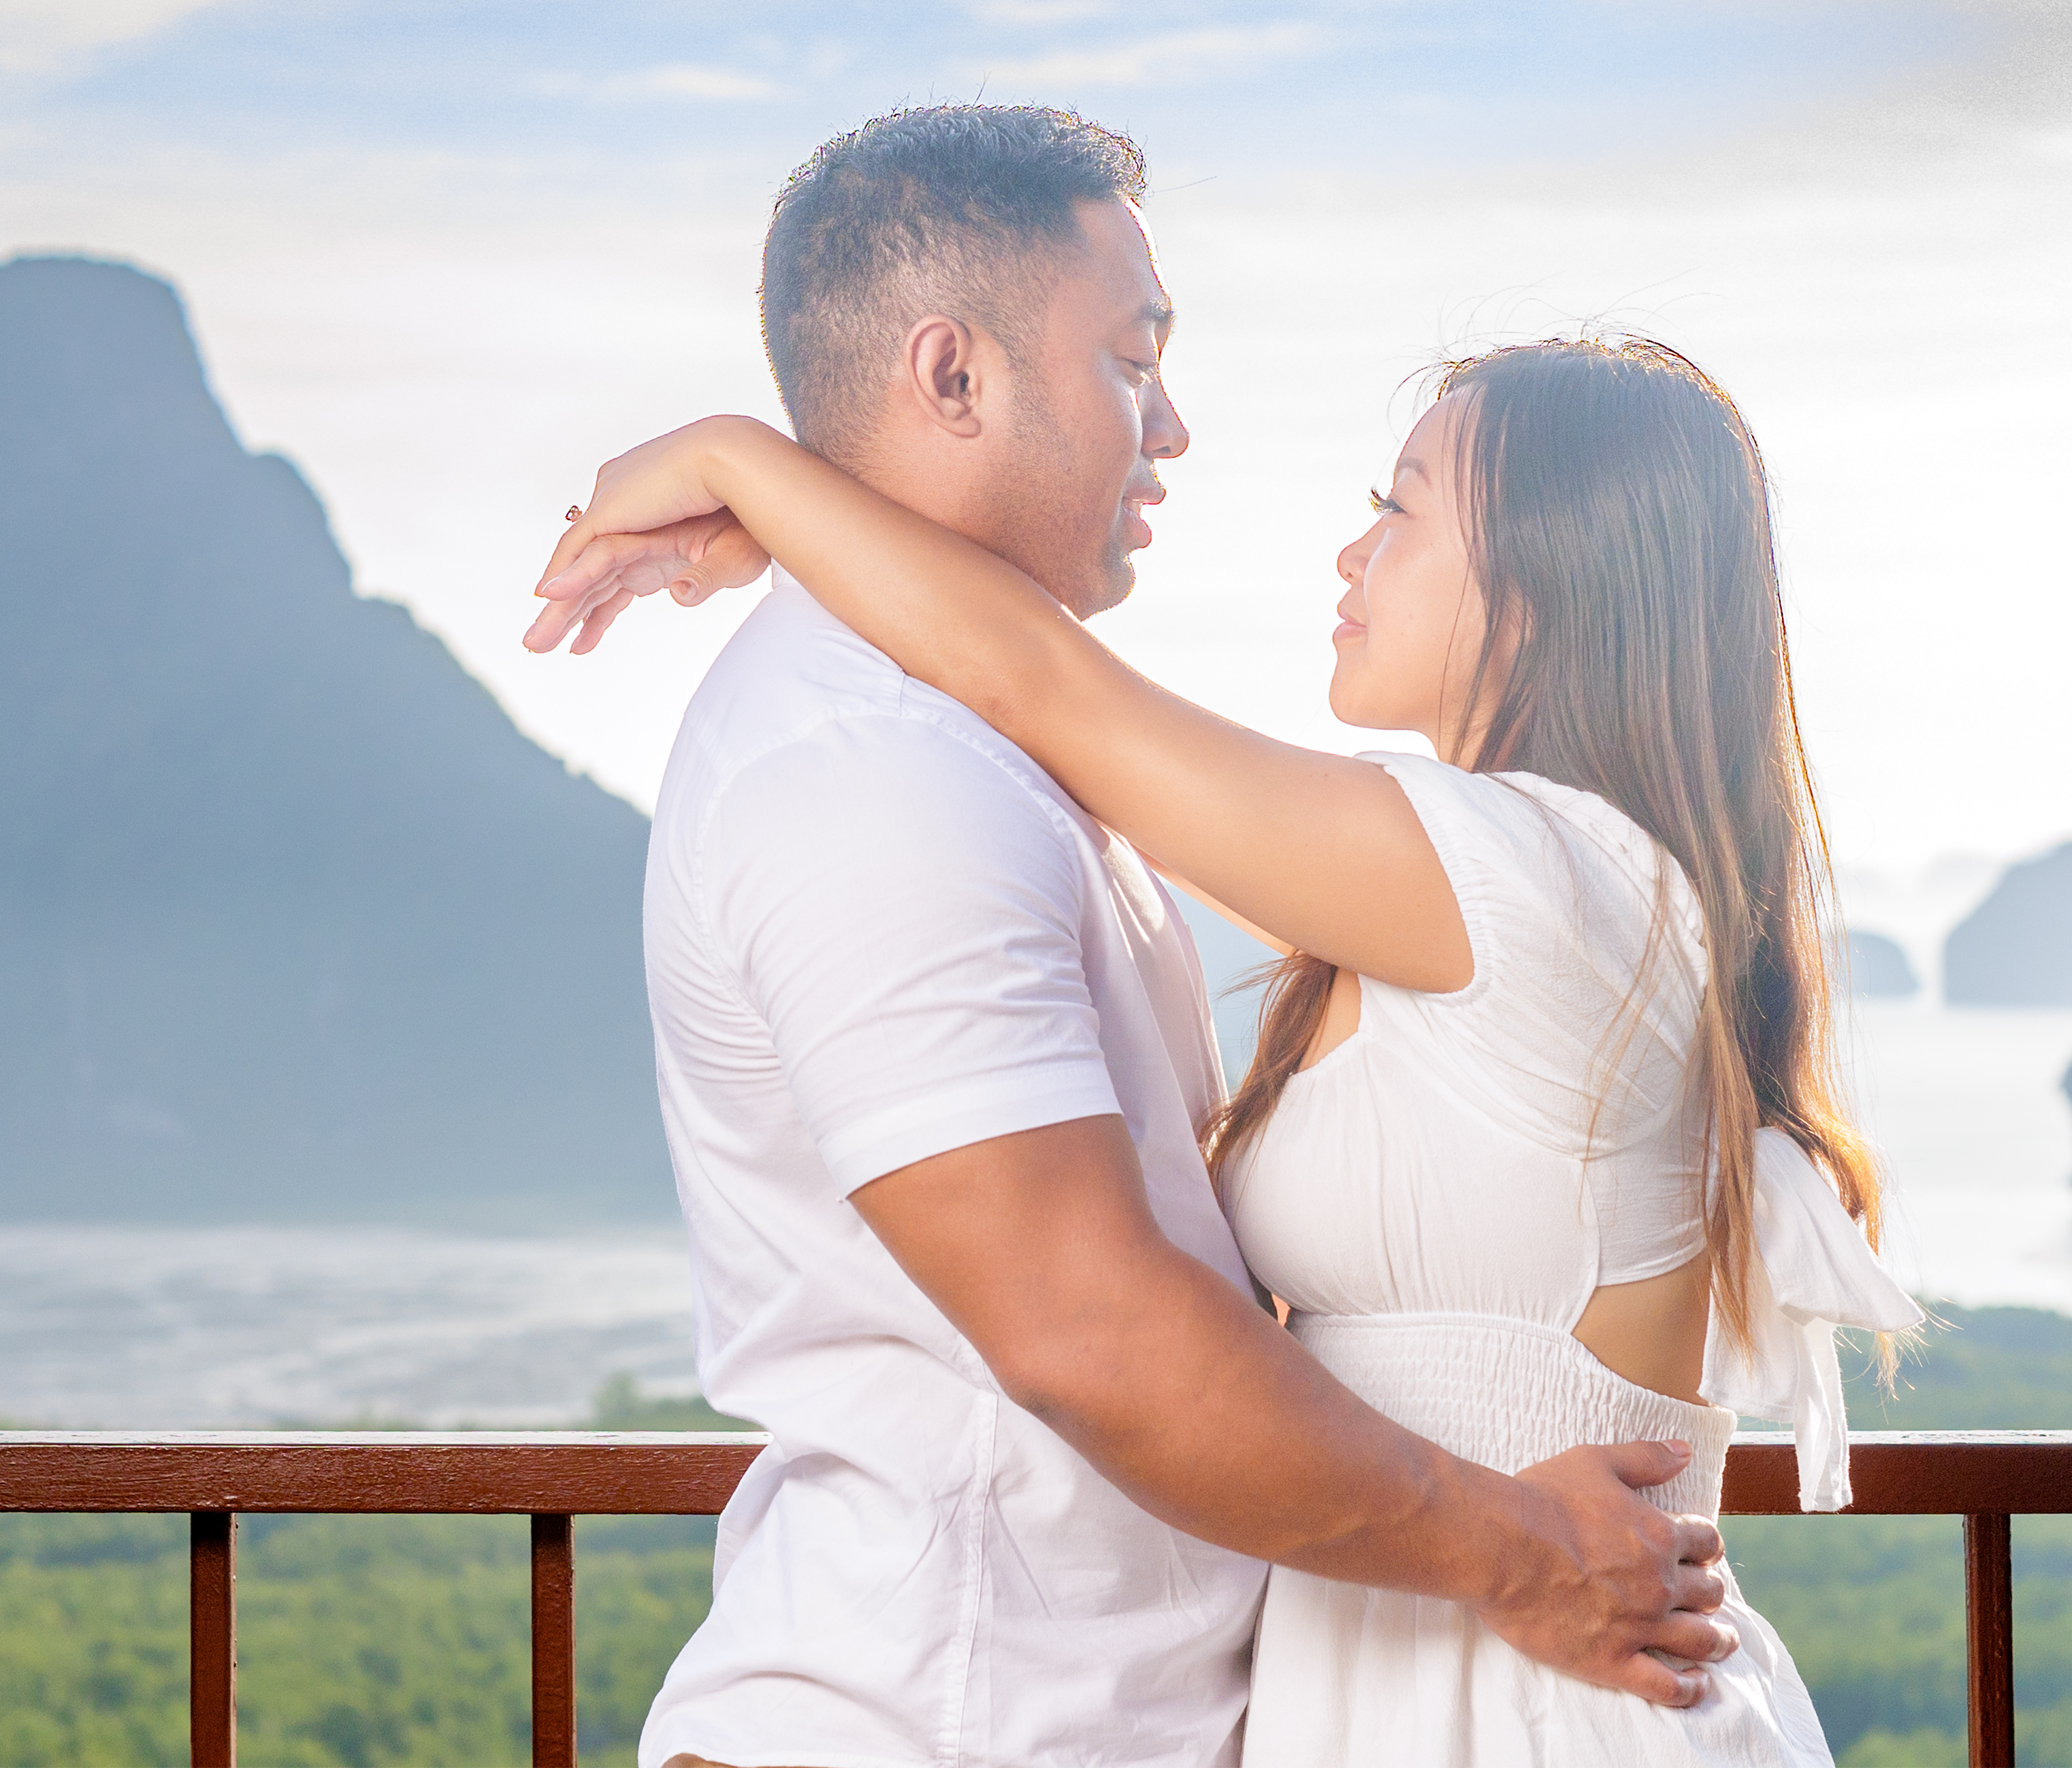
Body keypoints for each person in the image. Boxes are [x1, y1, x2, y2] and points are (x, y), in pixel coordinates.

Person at [533, 104, 1755, 1768]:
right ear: (954, 376)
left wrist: (768, 472)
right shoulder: (880, 766)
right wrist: (1513, 1548)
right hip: (957, 1722)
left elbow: (1051, 687)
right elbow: (1090, 1329)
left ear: (1551, 582)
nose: (1175, 425)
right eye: (1131, 359)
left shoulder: (1520, 871)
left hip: (1472, 1699)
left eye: (1398, 511)